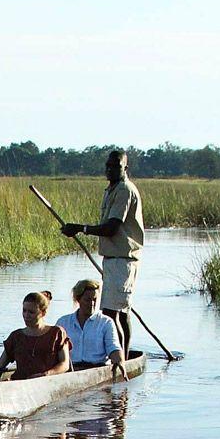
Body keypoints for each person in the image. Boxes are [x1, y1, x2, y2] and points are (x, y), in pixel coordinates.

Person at [60, 148, 144, 361]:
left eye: (115, 166)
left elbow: (112, 227)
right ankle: (121, 357)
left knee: (112, 313)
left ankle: (120, 361)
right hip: (113, 259)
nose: (110, 169)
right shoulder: (111, 190)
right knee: (120, 312)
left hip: (123, 260)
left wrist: (81, 228)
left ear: (125, 168)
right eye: (108, 166)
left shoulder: (125, 189)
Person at [0, 291, 71, 383]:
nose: (26, 316)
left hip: (47, 383)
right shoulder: (16, 336)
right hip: (20, 384)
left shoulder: (56, 333)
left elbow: (65, 364)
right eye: (24, 311)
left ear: (43, 312)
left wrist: (46, 374)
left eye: (31, 312)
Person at [53, 278, 119, 369]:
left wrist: (119, 362)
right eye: (87, 300)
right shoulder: (63, 322)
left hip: (98, 368)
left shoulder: (106, 322)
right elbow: (54, 350)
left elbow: (113, 347)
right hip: (70, 369)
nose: (92, 303)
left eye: (95, 299)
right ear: (78, 299)